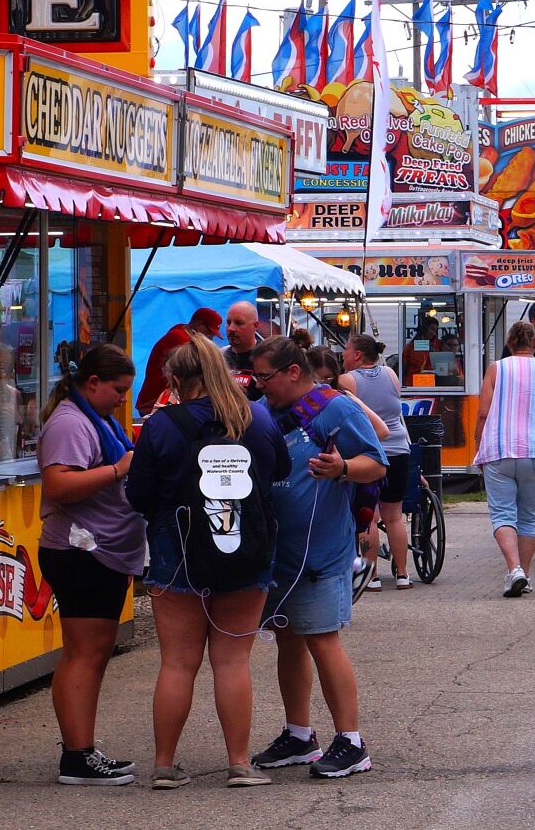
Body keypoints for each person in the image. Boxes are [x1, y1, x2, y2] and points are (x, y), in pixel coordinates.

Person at [126, 333, 289, 789]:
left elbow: (138, 494)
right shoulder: (256, 418)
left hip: (175, 553)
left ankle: (163, 765)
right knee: (233, 662)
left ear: (176, 379)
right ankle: (239, 763)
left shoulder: (161, 425)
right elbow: (281, 473)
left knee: (177, 663)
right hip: (246, 552)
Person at [250, 338, 387, 779]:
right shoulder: (266, 411)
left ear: (293, 371)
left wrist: (342, 468)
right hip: (278, 553)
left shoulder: (336, 408)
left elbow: (377, 462)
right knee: (289, 640)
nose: (259, 385)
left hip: (320, 552)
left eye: (265, 377)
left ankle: (351, 741)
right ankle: (299, 734)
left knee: (323, 640)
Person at [37, 342, 143, 785]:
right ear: (92, 382)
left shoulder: (91, 417)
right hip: (81, 552)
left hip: (99, 550)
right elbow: (59, 484)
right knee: (84, 653)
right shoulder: (70, 422)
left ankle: (82, 749)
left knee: (91, 653)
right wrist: (121, 469)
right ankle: (77, 756)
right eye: (118, 389)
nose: (123, 399)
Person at [473, 320, 535, 597]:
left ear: (510, 343)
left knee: (502, 514)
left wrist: (478, 442)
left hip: (500, 448)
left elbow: (484, 411)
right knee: (528, 515)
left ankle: (514, 570)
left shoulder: (497, 368)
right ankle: (525, 573)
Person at [338, 334, 414, 592]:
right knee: (394, 516)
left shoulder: (347, 380)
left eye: (346, 350)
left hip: (370, 453)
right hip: (399, 450)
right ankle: (403, 574)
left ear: (358, 354)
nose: (343, 354)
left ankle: (372, 577)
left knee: (369, 517)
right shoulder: (391, 374)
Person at [136, 308, 223, 413]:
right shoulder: (181, 340)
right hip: (156, 401)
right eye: (209, 332)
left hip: (159, 400)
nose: (210, 338)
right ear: (199, 324)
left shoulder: (181, 330)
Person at [222, 301, 263, 401]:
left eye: (239, 323)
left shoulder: (266, 358)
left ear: (255, 326)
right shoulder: (219, 357)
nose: (231, 328)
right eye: (228, 322)